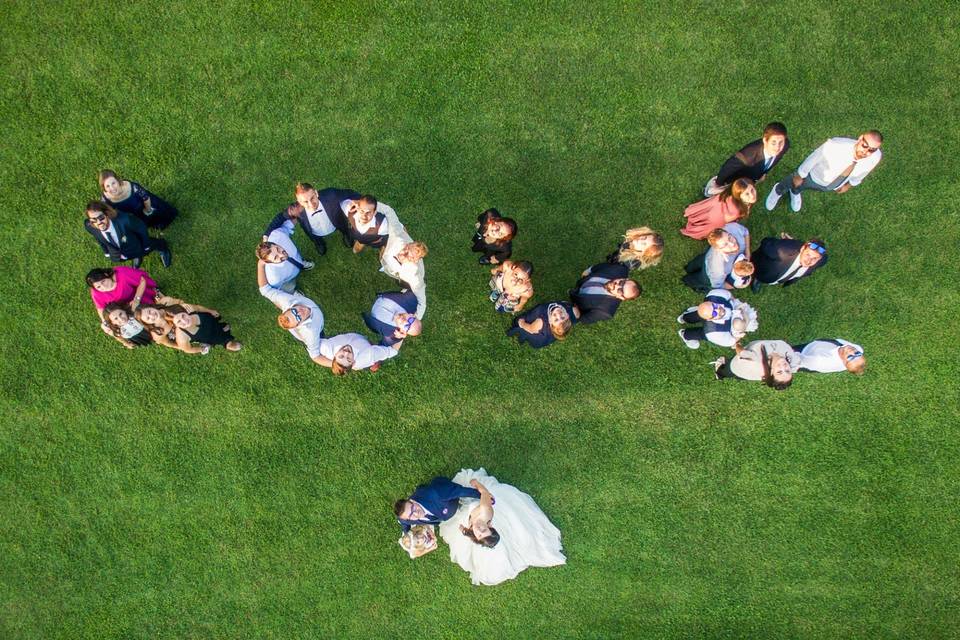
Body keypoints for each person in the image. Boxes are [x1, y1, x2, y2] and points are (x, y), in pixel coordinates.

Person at [438, 468, 566, 586]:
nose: (478, 530)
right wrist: (475, 482)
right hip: (489, 500)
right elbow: (484, 493)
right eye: (484, 530)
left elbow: (470, 533)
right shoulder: (485, 510)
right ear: (490, 526)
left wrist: (462, 529)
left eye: (479, 534)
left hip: (470, 517)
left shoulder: (475, 533)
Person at [766, 130, 883, 212]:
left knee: (801, 187)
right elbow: (813, 158)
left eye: (872, 149)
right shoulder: (836, 145)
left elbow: (863, 173)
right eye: (865, 145)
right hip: (813, 176)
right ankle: (778, 190)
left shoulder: (875, 157)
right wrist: (799, 175)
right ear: (860, 138)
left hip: (829, 185)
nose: (866, 151)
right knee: (792, 182)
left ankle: (795, 192)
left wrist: (849, 185)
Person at [255, 260, 326, 363]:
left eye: (294, 311)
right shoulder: (311, 332)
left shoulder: (286, 301)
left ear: (288, 308)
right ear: (298, 325)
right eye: (298, 318)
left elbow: (264, 290)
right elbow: (315, 356)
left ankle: (297, 295)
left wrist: (260, 264)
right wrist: (336, 366)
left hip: (293, 301)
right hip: (316, 329)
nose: (300, 312)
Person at [262, 184, 358, 256]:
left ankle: (347, 235)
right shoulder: (295, 210)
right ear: (299, 202)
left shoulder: (331, 195)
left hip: (337, 222)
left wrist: (363, 204)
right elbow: (280, 217)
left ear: (316, 193)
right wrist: (266, 235)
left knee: (345, 229)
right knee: (315, 239)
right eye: (305, 202)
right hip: (314, 232)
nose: (311, 204)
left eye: (312, 198)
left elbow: (350, 193)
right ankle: (320, 244)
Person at [703, 122, 790, 196]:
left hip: (752, 178)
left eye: (781, 142)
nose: (777, 147)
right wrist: (718, 183)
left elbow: (774, 160)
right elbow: (727, 167)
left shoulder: (785, 146)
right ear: (765, 141)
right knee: (728, 192)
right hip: (738, 178)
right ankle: (711, 190)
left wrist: (764, 173)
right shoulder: (747, 156)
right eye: (773, 143)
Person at [84, 202, 172, 268]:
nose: (99, 222)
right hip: (120, 254)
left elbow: (141, 229)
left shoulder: (125, 220)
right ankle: (137, 257)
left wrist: (146, 245)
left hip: (136, 245)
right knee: (133, 255)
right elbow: (99, 239)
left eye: (101, 217)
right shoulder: (90, 226)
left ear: (107, 214)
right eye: (93, 220)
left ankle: (162, 247)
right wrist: (106, 252)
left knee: (151, 245)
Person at [395, 476, 482, 534]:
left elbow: (460, 491)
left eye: (413, 508)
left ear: (412, 502)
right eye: (410, 515)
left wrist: (482, 495)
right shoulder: (405, 518)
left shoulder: (436, 494)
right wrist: (408, 535)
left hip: (448, 496)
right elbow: (404, 523)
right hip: (442, 513)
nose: (415, 513)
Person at [677, 288, 757, 349]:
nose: (719, 310)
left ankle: (685, 317)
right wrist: (740, 333)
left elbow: (730, 296)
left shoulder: (716, 295)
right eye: (715, 313)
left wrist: (737, 306)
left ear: (712, 302)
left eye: (715, 306)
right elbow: (731, 341)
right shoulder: (714, 333)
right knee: (702, 334)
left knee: (701, 313)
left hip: (729, 313)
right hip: (715, 329)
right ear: (709, 320)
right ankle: (685, 334)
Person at [98, 169, 178, 229]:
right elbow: (105, 212)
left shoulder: (131, 187)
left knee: (160, 214)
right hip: (131, 215)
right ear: (104, 188)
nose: (112, 188)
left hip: (143, 206)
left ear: (118, 181)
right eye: (107, 186)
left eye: (113, 183)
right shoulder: (105, 198)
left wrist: (148, 210)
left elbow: (146, 197)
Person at [681, 223, 749, 293]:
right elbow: (717, 285)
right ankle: (687, 279)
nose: (732, 244)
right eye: (725, 245)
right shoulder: (718, 268)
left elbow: (745, 232)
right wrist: (736, 286)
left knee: (699, 260)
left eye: (729, 238)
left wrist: (748, 253)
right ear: (719, 250)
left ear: (728, 232)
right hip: (709, 272)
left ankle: (689, 267)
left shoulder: (732, 228)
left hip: (708, 256)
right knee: (698, 279)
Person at [379, 221, 427, 319]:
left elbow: (422, 302)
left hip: (406, 280)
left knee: (405, 285)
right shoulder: (401, 242)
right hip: (392, 257)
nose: (404, 253)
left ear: (414, 260)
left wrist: (416, 319)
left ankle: (405, 288)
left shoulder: (414, 278)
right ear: (408, 245)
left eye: (409, 256)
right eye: (406, 250)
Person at [681, 178, 756, 240]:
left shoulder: (733, 196)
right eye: (747, 194)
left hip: (716, 206)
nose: (752, 196)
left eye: (752, 190)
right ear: (739, 196)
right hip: (716, 217)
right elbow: (720, 223)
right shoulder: (735, 212)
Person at [712, 340, 801, 390]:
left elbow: (741, 352)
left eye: (779, 372)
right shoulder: (791, 358)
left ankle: (719, 373)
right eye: (787, 371)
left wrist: (737, 343)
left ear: (772, 372)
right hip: (751, 372)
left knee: (728, 371)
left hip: (737, 368)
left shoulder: (756, 359)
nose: (784, 366)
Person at [569, 262, 641, 324]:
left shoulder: (605, 311)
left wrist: (575, 313)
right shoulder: (620, 269)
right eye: (622, 282)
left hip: (575, 301)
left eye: (620, 291)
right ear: (625, 279)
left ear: (621, 298)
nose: (617, 285)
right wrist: (590, 270)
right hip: (583, 281)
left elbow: (585, 319)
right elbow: (603, 266)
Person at [751, 233, 827, 291]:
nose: (809, 261)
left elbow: (825, 258)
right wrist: (788, 243)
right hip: (763, 272)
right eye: (808, 255)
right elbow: (766, 242)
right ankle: (758, 279)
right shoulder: (782, 250)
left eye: (815, 258)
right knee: (760, 275)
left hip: (780, 277)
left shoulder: (821, 261)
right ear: (802, 249)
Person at [136, 302, 222, 352]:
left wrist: (210, 311)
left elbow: (194, 308)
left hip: (195, 320)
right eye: (148, 318)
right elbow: (169, 343)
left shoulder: (169, 304)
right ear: (146, 323)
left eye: (150, 311)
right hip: (191, 336)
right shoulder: (157, 333)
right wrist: (182, 347)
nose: (152, 315)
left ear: (151, 307)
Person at [255, 224, 313, 294]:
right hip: (286, 279)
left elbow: (286, 225)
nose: (281, 254)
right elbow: (278, 287)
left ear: (275, 243)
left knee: (296, 257)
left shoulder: (278, 235)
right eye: (275, 257)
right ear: (269, 262)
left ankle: (301, 263)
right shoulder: (274, 278)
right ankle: (293, 292)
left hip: (296, 259)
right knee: (287, 287)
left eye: (277, 249)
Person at [170, 305, 242, 353]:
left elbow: (198, 308)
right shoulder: (181, 337)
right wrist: (201, 349)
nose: (184, 321)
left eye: (183, 315)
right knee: (220, 339)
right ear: (175, 325)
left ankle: (222, 327)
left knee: (219, 324)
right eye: (179, 321)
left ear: (185, 311)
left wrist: (210, 311)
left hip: (211, 321)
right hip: (210, 336)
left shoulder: (189, 308)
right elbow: (188, 349)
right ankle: (228, 344)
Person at [315, 333, 398, 375]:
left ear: (335, 355)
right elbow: (393, 351)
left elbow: (313, 350)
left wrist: (335, 364)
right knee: (376, 360)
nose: (346, 353)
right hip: (366, 354)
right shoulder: (366, 356)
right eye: (348, 358)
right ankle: (375, 365)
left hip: (358, 339)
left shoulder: (327, 347)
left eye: (341, 356)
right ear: (353, 362)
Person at [506, 301, 579, 349]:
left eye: (556, 319)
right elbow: (577, 314)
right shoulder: (573, 311)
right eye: (562, 317)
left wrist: (522, 324)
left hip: (538, 335)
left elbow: (531, 329)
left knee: (520, 325)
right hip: (551, 332)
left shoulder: (541, 322)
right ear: (567, 316)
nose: (558, 314)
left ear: (550, 322)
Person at [794, 339, 866, 374]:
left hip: (803, 354)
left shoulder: (820, 361)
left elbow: (798, 360)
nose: (852, 351)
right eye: (857, 354)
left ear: (844, 362)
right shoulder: (858, 349)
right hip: (816, 346)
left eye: (850, 357)